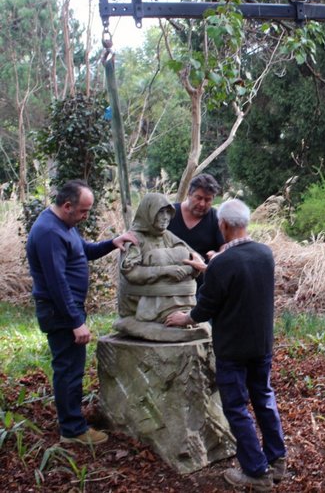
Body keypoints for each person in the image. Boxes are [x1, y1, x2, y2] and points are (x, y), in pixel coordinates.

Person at [165, 199, 286, 491]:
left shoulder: (222, 263)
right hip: (261, 344)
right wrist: (209, 267)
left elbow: (206, 306)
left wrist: (185, 318)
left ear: (223, 225)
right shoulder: (264, 253)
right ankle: (277, 459)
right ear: (245, 223)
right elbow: (239, 280)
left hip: (232, 347)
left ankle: (256, 473)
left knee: (235, 407)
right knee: (263, 397)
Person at [26, 180, 137, 445]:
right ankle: (73, 430)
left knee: (71, 368)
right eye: (84, 211)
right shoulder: (49, 233)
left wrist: (113, 242)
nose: (86, 216)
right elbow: (56, 282)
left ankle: (72, 421)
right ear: (67, 206)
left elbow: (82, 251)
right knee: (68, 370)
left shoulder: (63, 226)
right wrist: (76, 321)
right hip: (60, 313)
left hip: (67, 310)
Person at [115, 193, 209, 342]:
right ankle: (166, 319)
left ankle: (182, 318)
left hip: (174, 291)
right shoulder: (134, 239)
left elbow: (195, 258)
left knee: (182, 253)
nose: (166, 217)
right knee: (157, 257)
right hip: (139, 298)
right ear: (148, 212)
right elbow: (131, 273)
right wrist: (165, 270)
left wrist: (186, 269)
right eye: (160, 212)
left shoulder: (167, 235)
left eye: (168, 212)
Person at [167, 174, 225, 288]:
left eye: (208, 200)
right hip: (170, 282)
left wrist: (218, 255)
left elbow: (226, 246)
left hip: (203, 286)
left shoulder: (216, 218)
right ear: (189, 194)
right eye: (198, 198)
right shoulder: (169, 214)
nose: (202, 204)